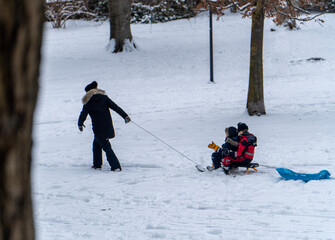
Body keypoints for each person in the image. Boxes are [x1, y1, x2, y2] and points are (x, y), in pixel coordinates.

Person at [78, 81, 131, 171]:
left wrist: (80, 123)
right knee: (96, 145)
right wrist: (125, 116)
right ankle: (97, 165)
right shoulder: (104, 98)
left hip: (98, 128)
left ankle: (116, 166)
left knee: (106, 146)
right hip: (107, 126)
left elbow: (83, 114)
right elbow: (115, 107)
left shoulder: (88, 102)